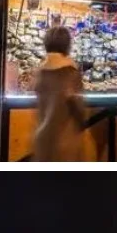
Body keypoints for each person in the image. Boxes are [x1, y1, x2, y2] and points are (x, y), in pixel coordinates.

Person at [33, 26, 86, 161]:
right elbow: (79, 110)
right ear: (67, 45)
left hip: (42, 139)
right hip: (64, 141)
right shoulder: (70, 73)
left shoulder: (40, 71)